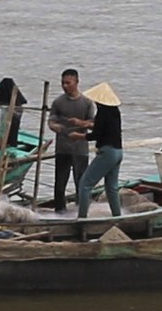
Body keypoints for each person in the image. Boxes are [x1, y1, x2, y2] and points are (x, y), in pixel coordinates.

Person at [47, 67, 95, 214]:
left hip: (80, 149)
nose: (65, 86)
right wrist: (57, 128)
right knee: (60, 183)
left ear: (76, 82)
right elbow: (51, 122)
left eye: (68, 83)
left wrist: (80, 123)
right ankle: (59, 210)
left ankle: (81, 210)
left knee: (81, 182)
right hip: (62, 149)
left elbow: (93, 125)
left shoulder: (87, 103)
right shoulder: (58, 102)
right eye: (63, 83)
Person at [75, 82, 124, 219]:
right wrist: (83, 124)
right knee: (111, 188)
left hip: (107, 152)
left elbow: (95, 135)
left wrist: (78, 136)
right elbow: (103, 129)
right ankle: (117, 217)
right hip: (118, 152)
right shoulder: (115, 111)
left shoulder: (102, 112)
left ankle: (82, 218)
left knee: (85, 184)